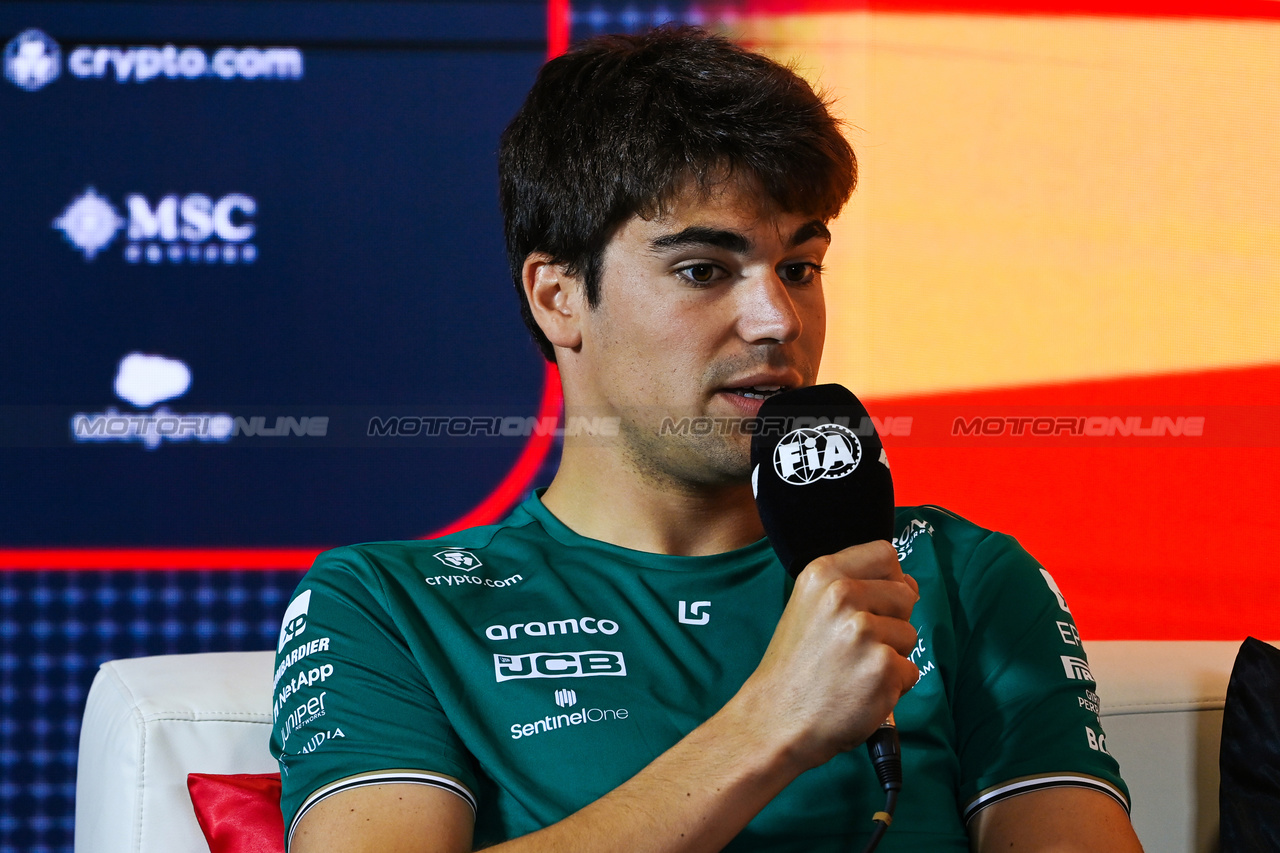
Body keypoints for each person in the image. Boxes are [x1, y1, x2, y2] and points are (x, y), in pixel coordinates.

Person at [271, 27, 1145, 852]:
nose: (778, 320)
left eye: (800, 267)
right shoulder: (390, 603)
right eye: (704, 269)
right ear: (557, 296)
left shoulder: (956, 573)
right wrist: (770, 723)